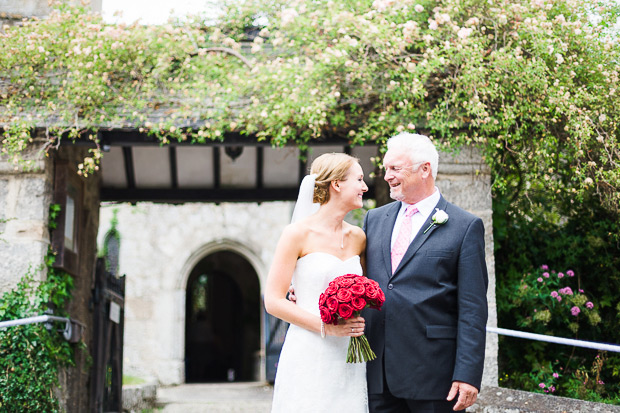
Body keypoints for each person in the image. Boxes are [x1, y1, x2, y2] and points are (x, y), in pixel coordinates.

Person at [363, 132, 488, 413]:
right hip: (378, 373)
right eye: (386, 168)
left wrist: (467, 374)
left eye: (395, 168)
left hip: (435, 375)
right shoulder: (373, 219)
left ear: (425, 169)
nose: (387, 176)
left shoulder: (464, 226)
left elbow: (473, 308)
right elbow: (352, 273)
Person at [264, 152, 370, 412]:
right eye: (358, 179)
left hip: (349, 353)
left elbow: (368, 290)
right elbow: (273, 301)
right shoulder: (296, 234)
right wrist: (327, 327)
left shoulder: (359, 237)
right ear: (336, 184)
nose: (365, 187)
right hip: (309, 349)